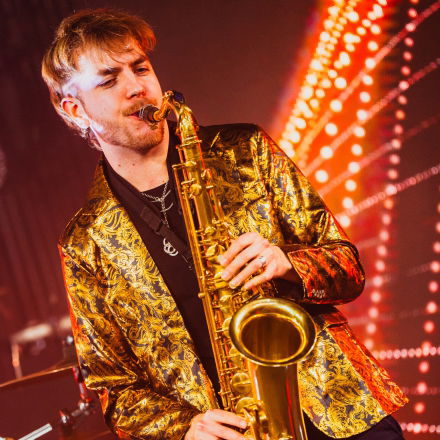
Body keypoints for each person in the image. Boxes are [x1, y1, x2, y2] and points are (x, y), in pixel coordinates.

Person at [41, 8, 408, 440]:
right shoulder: (84, 242)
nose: (137, 87)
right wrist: (185, 427)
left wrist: (288, 263)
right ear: (74, 108)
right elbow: (115, 389)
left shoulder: (247, 150)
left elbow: (349, 268)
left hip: (341, 411)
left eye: (140, 68)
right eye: (108, 80)